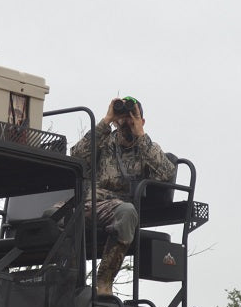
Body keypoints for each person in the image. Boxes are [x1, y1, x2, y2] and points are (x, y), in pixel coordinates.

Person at [71, 95, 175, 296]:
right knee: (52, 216)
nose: (126, 121)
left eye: (132, 117)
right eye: (123, 117)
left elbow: (166, 173)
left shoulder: (147, 149)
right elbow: (75, 158)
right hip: (89, 202)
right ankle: (65, 280)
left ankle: (104, 283)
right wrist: (106, 121)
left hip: (117, 207)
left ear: (141, 121)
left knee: (127, 212)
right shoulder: (102, 142)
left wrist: (140, 134)